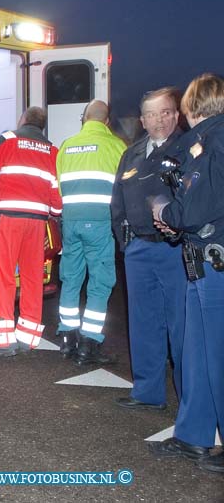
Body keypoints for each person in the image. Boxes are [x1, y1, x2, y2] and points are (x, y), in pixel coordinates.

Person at [149, 73, 224, 474]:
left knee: (218, 357)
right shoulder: (207, 142)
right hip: (203, 263)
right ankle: (194, 436)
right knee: (196, 356)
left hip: (216, 265)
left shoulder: (214, 142)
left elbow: (196, 205)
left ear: (192, 108)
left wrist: (165, 212)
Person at [110, 88, 186, 410]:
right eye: (152, 114)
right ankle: (147, 393)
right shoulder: (132, 153)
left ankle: (190, 401)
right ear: (142, 120)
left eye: (166, 112)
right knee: (143, 323)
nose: (159, 120)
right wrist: (125, 242)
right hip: (139, 249)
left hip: (176, 251)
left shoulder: (190, 148)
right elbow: (118, 200)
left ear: (176, 115)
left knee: (182, 328)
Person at [0, 107, 62, 359]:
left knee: (3, 275)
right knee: (32, 277)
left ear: (23, 121)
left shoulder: (9, 139)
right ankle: (28, 338)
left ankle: (2, 343)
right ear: (42, 126)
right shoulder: (53, 150)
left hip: (10, 218)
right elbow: (57, 201)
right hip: (37, 222)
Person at [55, 100, 126, 365]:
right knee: (100, 282)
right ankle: (89, 344)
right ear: (107, 121)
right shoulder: (117, 146)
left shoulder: (66, 146)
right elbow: (124, 189)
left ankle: (67, 339)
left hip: (71, 221)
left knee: (71, 279)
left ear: (83, 119)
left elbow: (59, 185)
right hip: (99, 222)